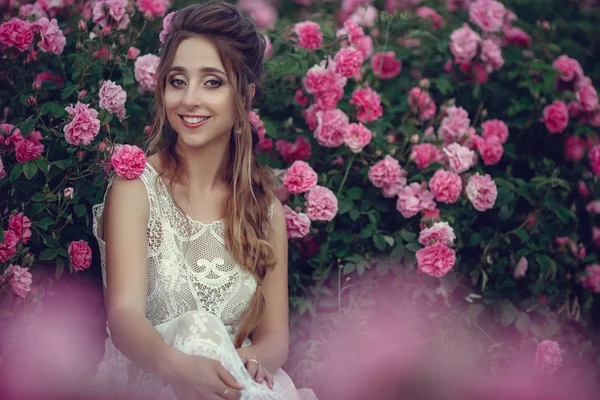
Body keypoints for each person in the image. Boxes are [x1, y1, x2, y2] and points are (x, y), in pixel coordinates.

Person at [91, 1, 318, 399]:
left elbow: (275, 336)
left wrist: (250, 361)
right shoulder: (136, 189)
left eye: (212, 82)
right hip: (153, 381)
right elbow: (124, 316)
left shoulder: (264, 210)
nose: (189, 99)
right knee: (198, 327)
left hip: (231, 386)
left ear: (244, 96)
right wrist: (178, 366)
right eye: (177, 81)